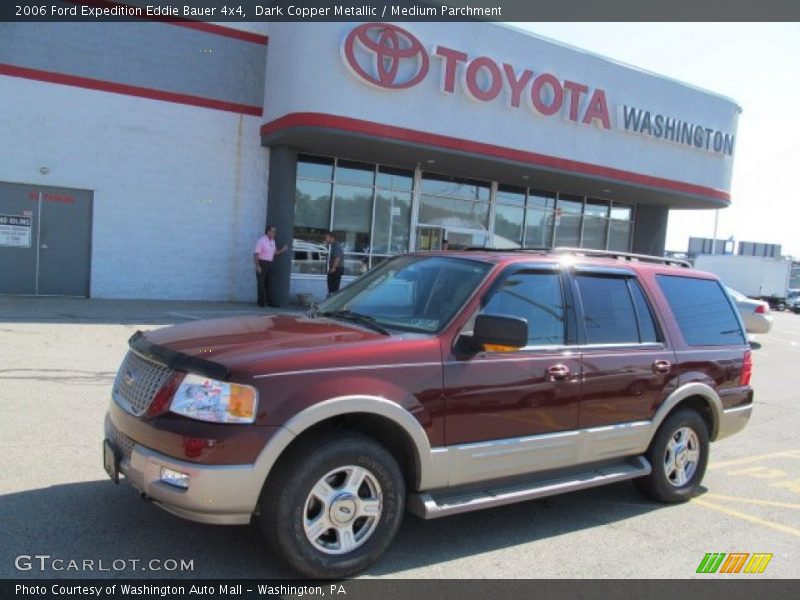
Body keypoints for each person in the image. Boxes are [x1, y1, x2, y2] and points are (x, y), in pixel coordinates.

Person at [253, 225, 288, 307]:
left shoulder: (273, 241)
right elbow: (256, 254)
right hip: (262, 263)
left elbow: (275, 253)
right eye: (273, 231)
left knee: (270, 283)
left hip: (270, 263)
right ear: (268, 232)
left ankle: (270, 302)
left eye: (275, 232)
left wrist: (283, 250)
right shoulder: (261, 241)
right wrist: (257, 265)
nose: (274, 233)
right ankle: (261, 302)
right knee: (261, 283)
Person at [325, 231, 344, 295]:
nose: (326, 239)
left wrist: (333, 268)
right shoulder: (333, 245)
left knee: (334, 288)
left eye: (327, 238)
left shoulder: (336, 246)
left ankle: (332, 302)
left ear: (332, 238)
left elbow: (337, 258)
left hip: (336, 269)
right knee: (331, 286)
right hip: (335, 269)